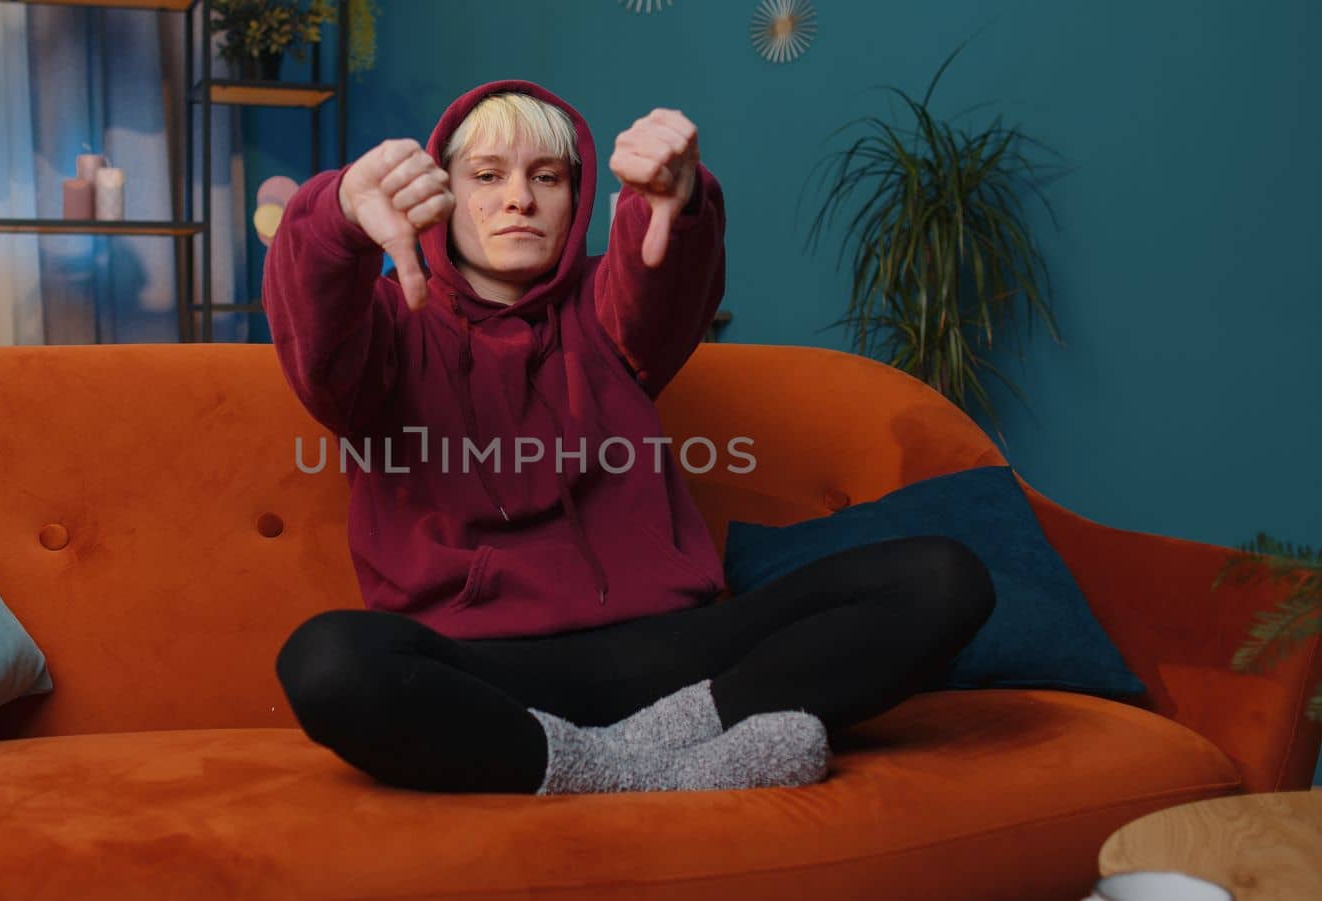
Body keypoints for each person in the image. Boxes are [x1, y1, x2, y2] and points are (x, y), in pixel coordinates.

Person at [264, 80, 996, 796]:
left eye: (545, 176)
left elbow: (661, 274)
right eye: (487, 175)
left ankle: (631, 752)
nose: (518, 197)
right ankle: (635, 765)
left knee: (944, 577)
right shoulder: (388, 323)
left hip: (673, 655)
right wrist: (333, 220)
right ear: (441, 199)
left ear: (575, 200)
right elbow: (320, 344)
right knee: (327, 660)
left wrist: (673, 196)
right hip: (484, 672)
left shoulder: (606, 311)